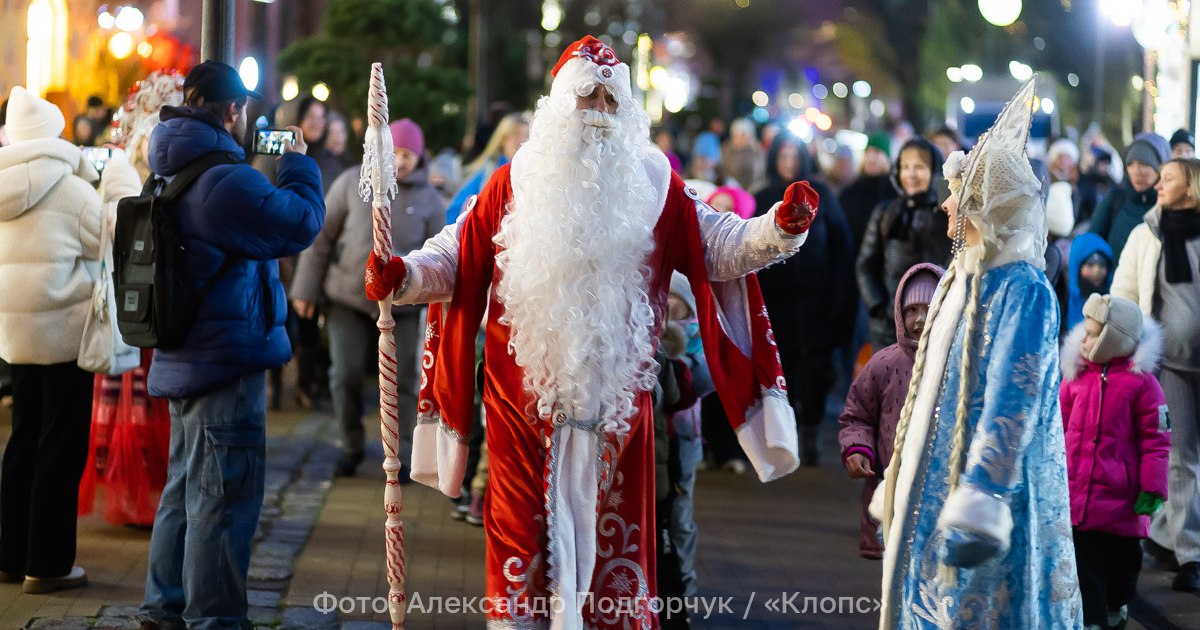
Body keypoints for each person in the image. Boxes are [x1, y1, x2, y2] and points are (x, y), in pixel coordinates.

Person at [365, 36, 811, 628]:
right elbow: (457, 254)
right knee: (520, 564)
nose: (599, 111)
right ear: (559, 105)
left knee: (615, 574)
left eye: (610, 99)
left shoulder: (657, 185)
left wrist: (778, 229)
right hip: (520, 411)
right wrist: (407, 274)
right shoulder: (512, 182)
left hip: (620, 418)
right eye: (587, 97)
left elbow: (721, 245)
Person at [873, 80, 1082, 628]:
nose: (945, 204)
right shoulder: (961, 279)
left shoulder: (1024, 290)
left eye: (958, 194)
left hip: (987, 500)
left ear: (986, 207)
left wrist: (982, 498)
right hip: (938, 484)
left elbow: (1014, 399)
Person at [136, 60, 325, 629]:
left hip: (183, 353)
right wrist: (298, 164)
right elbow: (299, 223)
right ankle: (213, 619)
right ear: (233, 110)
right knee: (222, 500)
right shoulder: (224, 180)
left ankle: (164, 606)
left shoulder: (168, 167)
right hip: (224, 360)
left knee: (184, 489)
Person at [291, 117, 445, 477]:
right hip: (348, 297)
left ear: (419, 158)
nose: (401, 161)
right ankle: (351, 444)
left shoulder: (427, 198)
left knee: (403, 381)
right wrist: (305, 289)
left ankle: (402, 453)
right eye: (396, 152)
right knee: (344, 374)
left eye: (408, 155)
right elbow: (321, 238)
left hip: (403, 305)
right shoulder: (352, 182)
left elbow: (439, 253)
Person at [0, 85, 102, 593]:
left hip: (15, 333)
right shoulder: (73, 190)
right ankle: (48, 563)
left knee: (22, 438)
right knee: (60, 443)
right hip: (64, 332)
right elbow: (106, 241)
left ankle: (9, 555)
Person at [79, 71, 183, 528]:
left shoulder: (171, 176)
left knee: (152, 400)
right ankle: (137, 497)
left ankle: (154, 495)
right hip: (130, 299)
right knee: (135, 398)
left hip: (156, 300)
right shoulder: (124, 175)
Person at [1111, 156, 1200, 593]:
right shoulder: (1145, 234)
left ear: (1192, 187)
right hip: (1170, 365)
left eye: (1169, 178)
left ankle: (1170, 536)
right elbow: (1124, 294)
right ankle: (1191, 555)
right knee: (1180, 457)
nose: (1159, 185)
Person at [1061, 293, 1170, 629]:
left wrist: (1153, 486)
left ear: (1114, 339)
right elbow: (1058, 429)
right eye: (1085, 332)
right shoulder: (1075, 379)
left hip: (1122, 501)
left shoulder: (1143, 385)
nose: (1083, 339)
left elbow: (1156, 440)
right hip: (1079, 497)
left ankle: (1117, 602)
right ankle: (1092, 619)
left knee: (1123, 565)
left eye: (1093, 334)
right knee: (1086, 565)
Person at [754, 132, 856, 465]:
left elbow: (841, 246)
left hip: (817, 300)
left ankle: (811, 430)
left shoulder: (821, 195)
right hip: (778, 300)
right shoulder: (764, 197)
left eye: (795, 156)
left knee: (817, 369)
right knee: (785, 368)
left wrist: (838, 294)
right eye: (783, 156)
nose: (789, 163)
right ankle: (789, 432)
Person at [839, 263, 943, 560]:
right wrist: (857, 449)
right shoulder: (884, 364)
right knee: (895, 564)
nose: (919, 319)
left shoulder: (959, 364)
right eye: (912, 310)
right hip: (889, 488)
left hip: (939, 492)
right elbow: (857, 415)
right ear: (899, 312)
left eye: (930, 309)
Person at [856, 137, 950, 350]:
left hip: (938, 327)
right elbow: (865, 265)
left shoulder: (948, 214)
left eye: (920, 167)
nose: (911, 174)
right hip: (889, 330)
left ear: (935, 171)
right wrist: (878, 307)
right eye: (905, 167)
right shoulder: (886, 212)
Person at [1091, 132, 1169, 260]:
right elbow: (1092, 242)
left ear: (1161, 167)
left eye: (1144, 164)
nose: (1136, 171)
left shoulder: (1171, 204)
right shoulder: (1116, 198)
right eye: (1130, 164)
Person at [446, 112, 528, 223]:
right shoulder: (490, 170)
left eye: (526, 135)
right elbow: (454, 212)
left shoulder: (527, 171)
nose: (522, 140)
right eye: (516, 134)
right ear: (503, 139)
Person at [839, 131, 898, 254]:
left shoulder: (896, 194)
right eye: (868, 152)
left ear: (887, 158)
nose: (871, 158)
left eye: (877, 152)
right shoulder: (849, 193)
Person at [1066, 233, 1114, 330]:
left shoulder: (1113, 306)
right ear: (1077, 268)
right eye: (1090, 264)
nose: (1097, 271)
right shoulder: (1063, 303)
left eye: (1102, 265)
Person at [722, 118, 765, 191]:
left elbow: (761, 172)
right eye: (742, 136)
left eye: (747, 135)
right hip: (733, 190)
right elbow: (724, 171)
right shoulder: (727, 150)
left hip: (755, 190)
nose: (745, 138)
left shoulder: (757, 149)